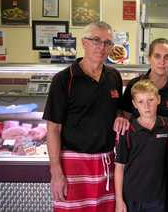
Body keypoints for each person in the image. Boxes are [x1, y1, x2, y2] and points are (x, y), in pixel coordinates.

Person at [43, 21, 128, 212]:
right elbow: (53, 128)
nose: (102, 47)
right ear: (84, 42)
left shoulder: (114, 76)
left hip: (107, 163)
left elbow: (117, 111)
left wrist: (121, 116)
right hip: (73, 165)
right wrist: (56, 172)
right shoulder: (64, 79)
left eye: (107, 42)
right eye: (96, 40)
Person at [115, 79, 168, 212]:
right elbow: (119, 167)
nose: (146, 106)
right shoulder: (127, 130)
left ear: (158, 99)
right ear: (134, 104)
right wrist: (119, 200)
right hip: (132, 197)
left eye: (150, 100)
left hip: (158, 198)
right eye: (141, 102)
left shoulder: (167, 126)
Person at [118, 38, 168, 128]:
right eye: (157, 56)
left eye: (167, 57)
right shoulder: (133, 85)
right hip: (139, 141)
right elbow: (126, 117)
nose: (162, 62)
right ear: (149, 58)